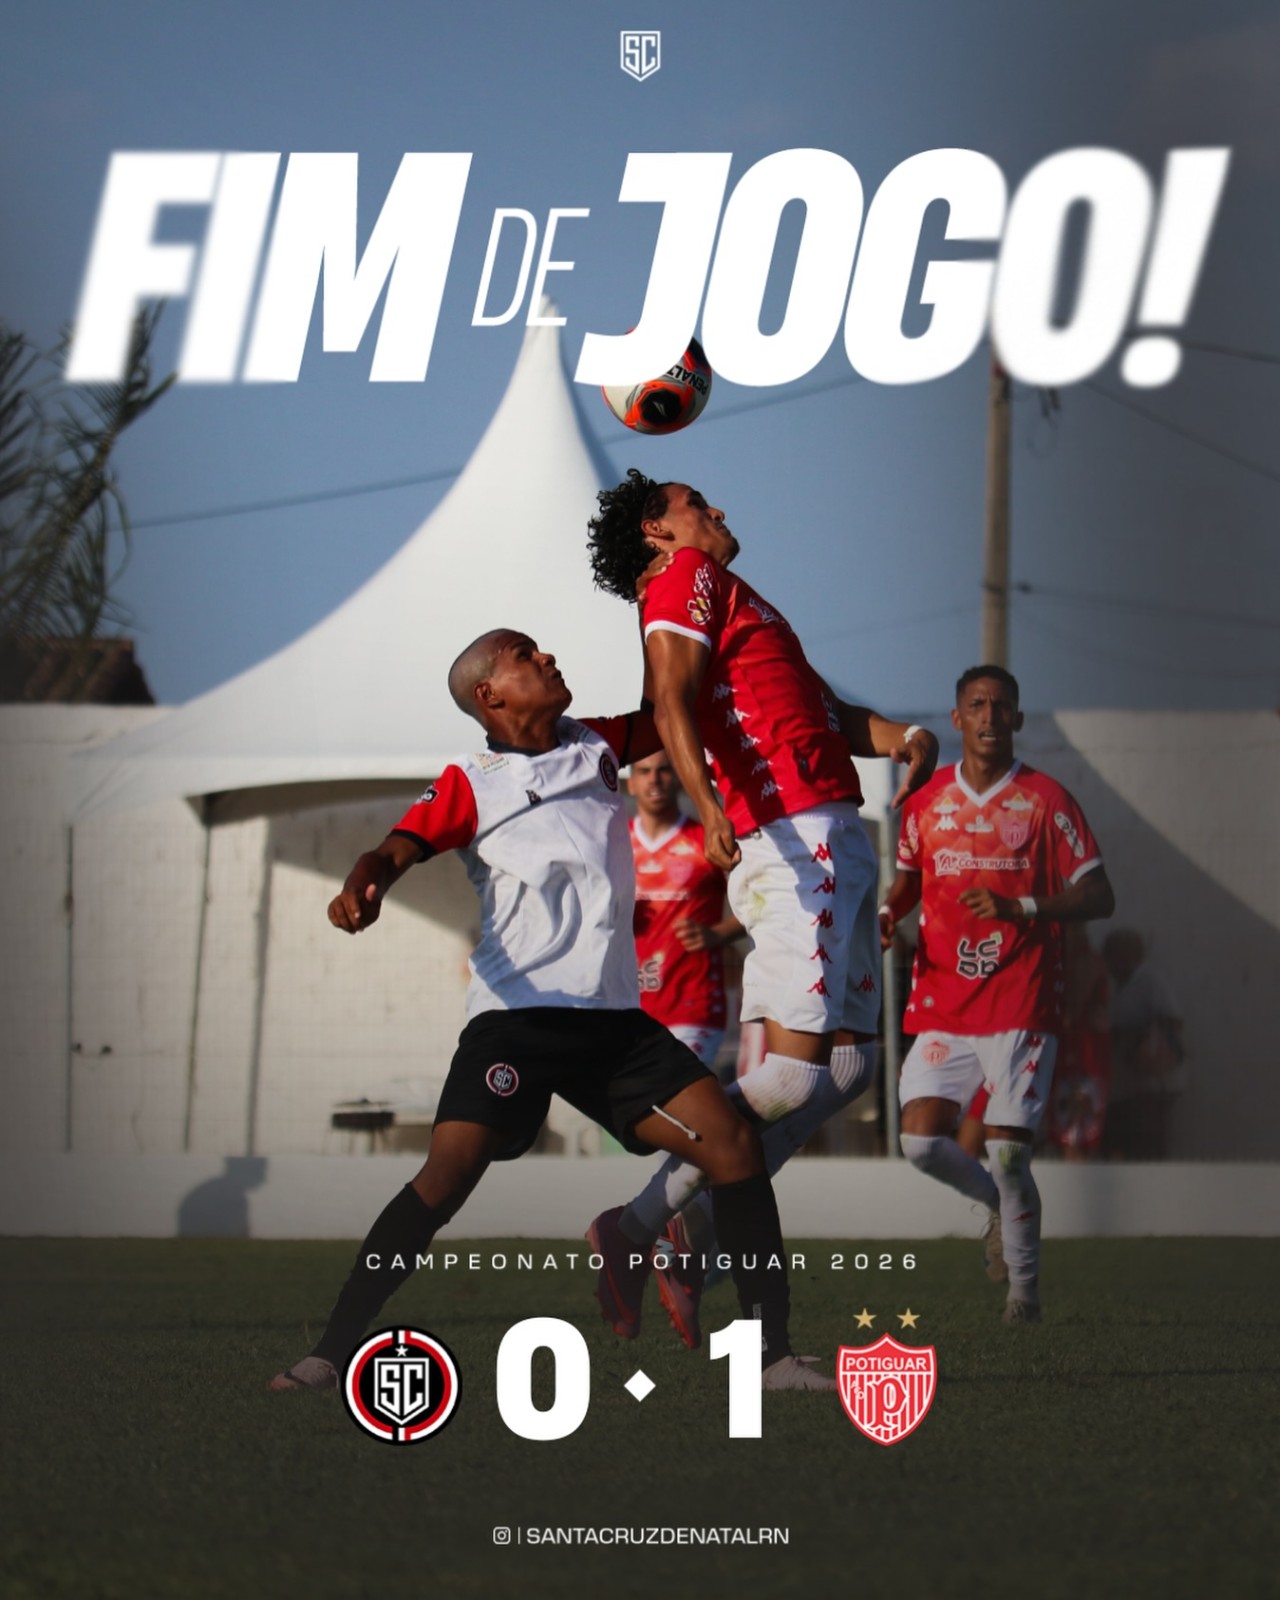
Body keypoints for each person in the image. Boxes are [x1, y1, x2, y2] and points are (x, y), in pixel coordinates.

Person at [271, 628, 830, 1393]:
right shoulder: (471, 780)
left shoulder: (597, 743)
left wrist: (672, 610)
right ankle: (328, 1355)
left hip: (612, 1022)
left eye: (541, 650)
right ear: (488, 695)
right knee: (446, 1178)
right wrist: (361, 886)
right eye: (524, 656)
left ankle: (771, 1361)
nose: (547, 658)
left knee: (734, 1146)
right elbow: (394, 850)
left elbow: (671, 706)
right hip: (517, 1020)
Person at [584, 470, 939, 1346]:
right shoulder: (684, 576)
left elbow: (825, 712)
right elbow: (670, 698)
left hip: (831, 832)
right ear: (659, 531)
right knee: (791, 1076)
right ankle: (634, 1228)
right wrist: (708, 807)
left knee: (848, 1071)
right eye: (695, 504)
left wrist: (903, 738)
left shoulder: (736, 596)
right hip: (789, 837)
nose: (717, 511)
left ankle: (684, 1237)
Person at [879, 665, 1115, 1324]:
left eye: (1001, 706)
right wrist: (888, 912)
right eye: (977, 705)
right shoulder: (926, 802)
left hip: (1021, 997)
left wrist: (1023, 907)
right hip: (943, 1000)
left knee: (1009, 1153)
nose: (989, 716)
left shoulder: (1046, 800)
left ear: (1017, 719)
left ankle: (1023, 1297)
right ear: (958, 719)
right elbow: (909, 881)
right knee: (920, 1142)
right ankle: (994, 1206)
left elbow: (1100, 894)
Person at [629, 748, 743, 1073]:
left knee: (672, 1089)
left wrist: (717, 934)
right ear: (631, 783)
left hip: (694, 1006)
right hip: (628, 1008)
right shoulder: (615, 843)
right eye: (644, 771)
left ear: (680, 778)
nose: (654, 779)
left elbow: (761, 903)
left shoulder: (708, 839)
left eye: (664, 770)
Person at [1101, 929, 1185, 1160]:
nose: (1108, 961)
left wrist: (1135, 1036)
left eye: (1112, 955)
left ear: (1129, 955)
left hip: (1153, 1086)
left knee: (1148, 1146)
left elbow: (1174, 1022)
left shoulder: (1150, 981)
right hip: (1125, 1086)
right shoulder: (1115, 984)